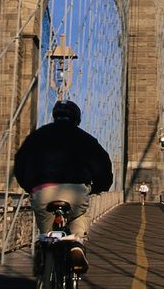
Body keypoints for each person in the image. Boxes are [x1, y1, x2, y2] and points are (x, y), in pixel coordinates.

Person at [13, 100, 113, 275]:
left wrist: (30, 186)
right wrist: (99, 187)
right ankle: (76, 244)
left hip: (43, 191)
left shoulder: (37, 136)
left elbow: (20, 166)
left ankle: (43, 276)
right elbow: (103, 168)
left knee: (46, 234)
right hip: (75, 192)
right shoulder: (87, 139)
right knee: (80, 215)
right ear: (77, 119)